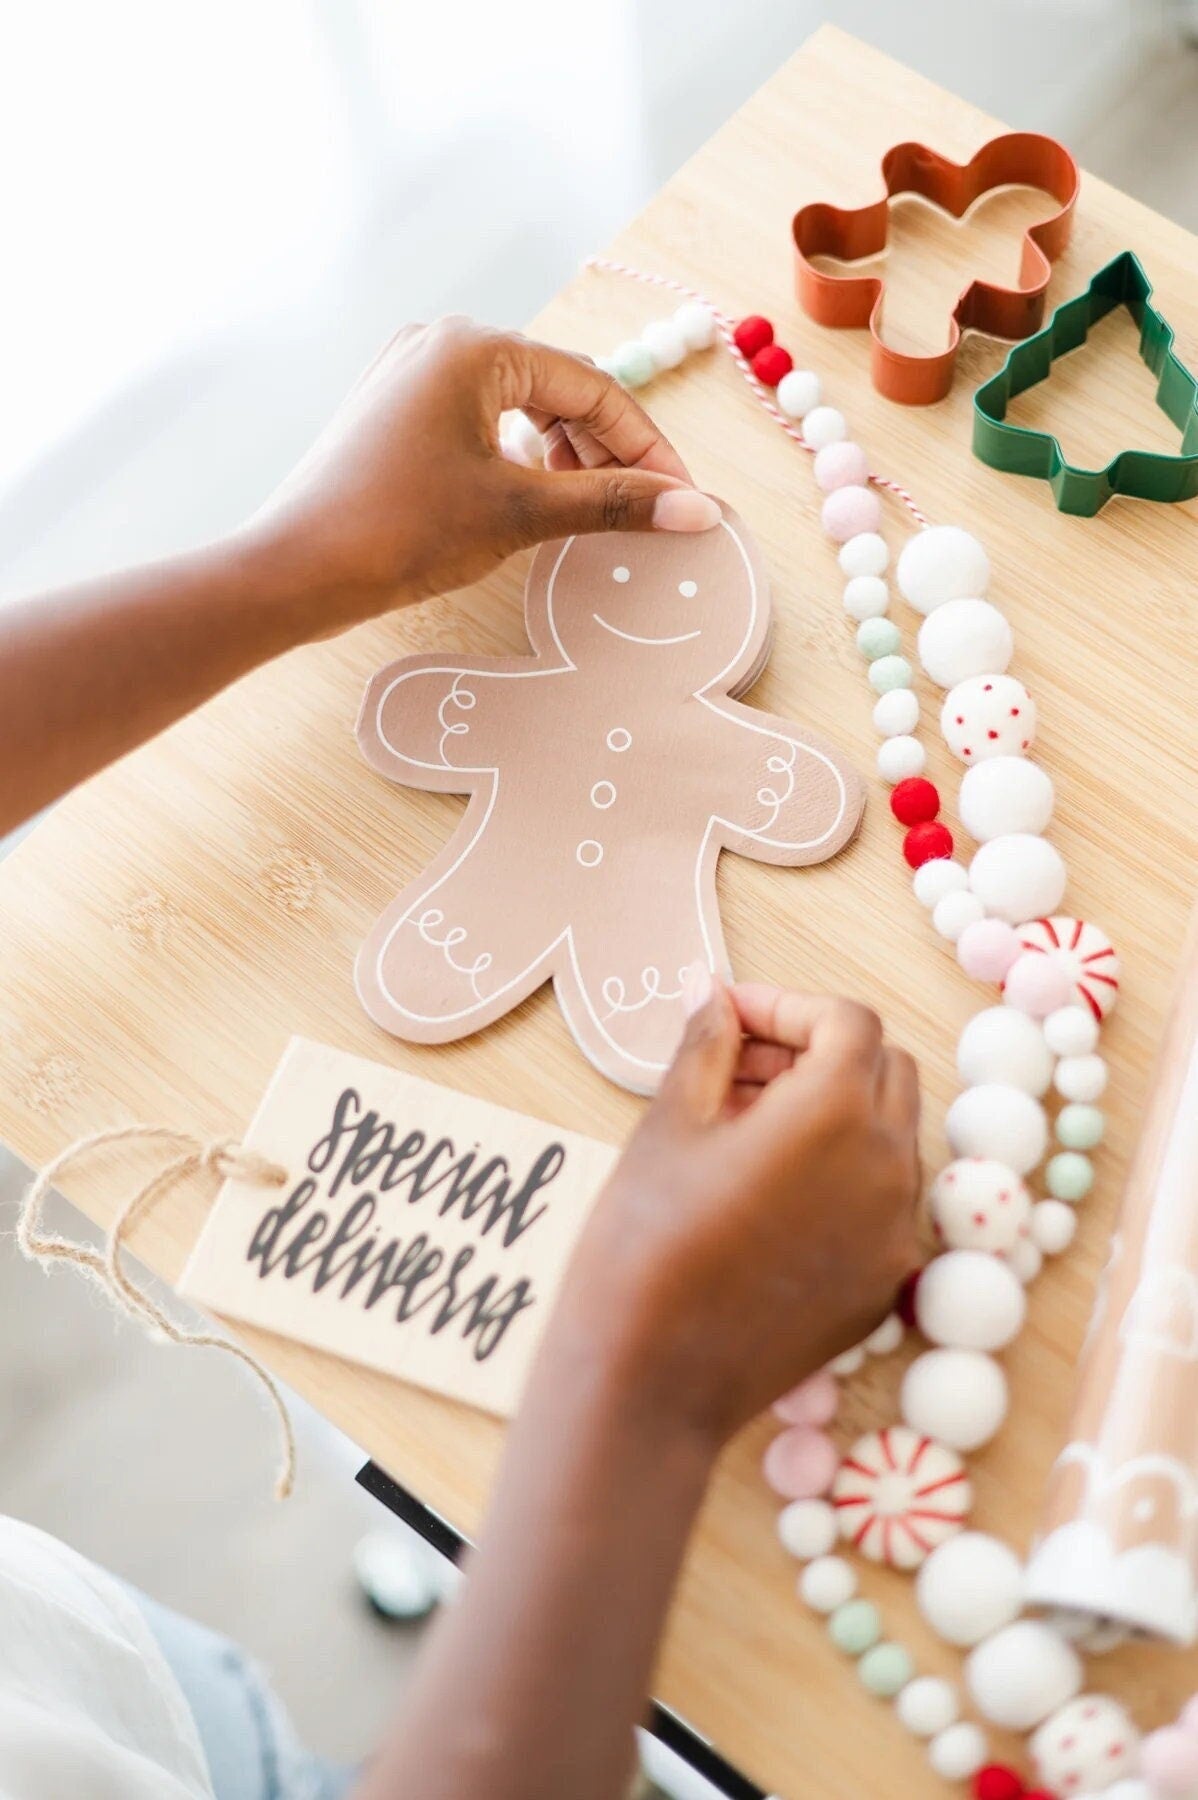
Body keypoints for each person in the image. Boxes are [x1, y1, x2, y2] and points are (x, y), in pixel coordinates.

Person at [0, 319, 921, 1800]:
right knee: (477, 938)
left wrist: (291, 566)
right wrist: (656, 1371)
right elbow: (452, 712)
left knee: (630, 964)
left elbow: (779, 779)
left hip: (110, 1680)